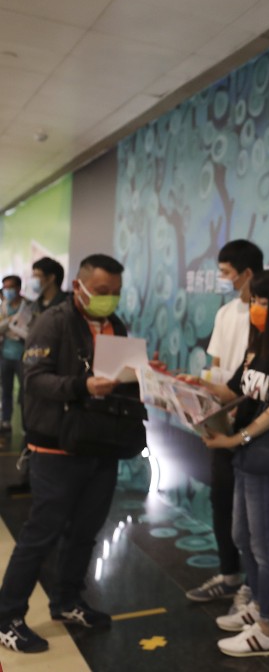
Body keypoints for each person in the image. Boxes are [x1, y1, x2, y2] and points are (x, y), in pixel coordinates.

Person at [0, 254, 144, 653]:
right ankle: (7, 616)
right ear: (79, 286)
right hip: (56, 445)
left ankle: (67, 601)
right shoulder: (54, 322)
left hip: (103, 443)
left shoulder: (117, 325)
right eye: (101, 292)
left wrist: (146, 377)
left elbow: (122, 378)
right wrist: (83, 386)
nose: (109, 299)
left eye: (115, 292)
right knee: (41, 534)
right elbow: (35, 380)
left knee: (85, 531)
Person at [200, 267, 269, 657]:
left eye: (263, 302)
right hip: (246, 456)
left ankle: (268, 628)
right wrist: (191, 384)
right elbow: (234, 392)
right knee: (242, 536)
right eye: (255, 300)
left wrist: (235, 438)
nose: (256, 308)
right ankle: (259, 604)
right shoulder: (258, 345)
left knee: (265, 546)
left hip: (267, 457)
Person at [185, 240, 264, 604]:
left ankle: (256, 588)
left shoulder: (267, 316)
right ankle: (229, 574)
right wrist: (203, 390)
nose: (224, 280)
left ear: (247, 273)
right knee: (221, 498)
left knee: (252, 511)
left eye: (227, 274)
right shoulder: (225, 314)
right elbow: (214, 366)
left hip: (254, 424)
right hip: (220, 419)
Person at [5, 258, 68, 495]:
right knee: (30, 424)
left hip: (56, 379)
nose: (33, 279)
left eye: (37, 274)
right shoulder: (33, 306)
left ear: (51, 277)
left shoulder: (66, 307)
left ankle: (48, 482)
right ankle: (29, 477)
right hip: (32, 372)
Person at [0, 275, 30, 432]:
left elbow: (31, 330)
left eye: (10, 287)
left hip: (23, 357)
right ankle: (5, 421)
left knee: (25, 393)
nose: (7, 291)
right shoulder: (3, 307)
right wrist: (9, 322)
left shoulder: (28, 307)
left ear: (18, 288)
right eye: (5, 288)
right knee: (6, 390)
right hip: (5, 355)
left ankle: (26, 424)